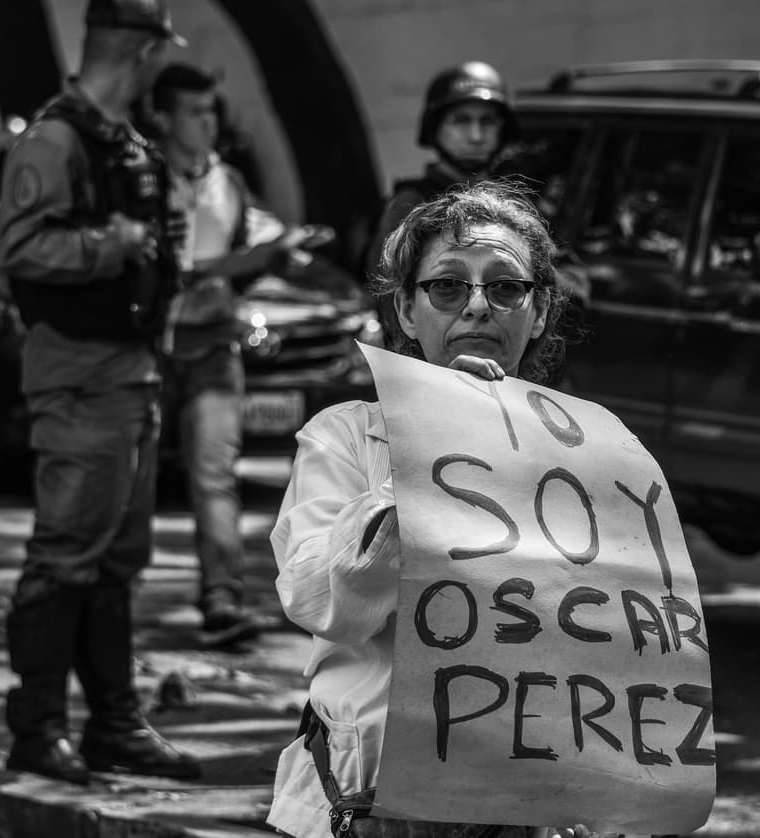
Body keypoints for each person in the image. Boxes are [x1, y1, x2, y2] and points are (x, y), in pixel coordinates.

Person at [268, 183, 644, 838]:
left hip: (527, 806)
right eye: (446, 287)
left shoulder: (592, 458)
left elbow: (608, 646)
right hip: (374, 801)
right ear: (407, 311)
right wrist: (436, 443)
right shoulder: (345, 438)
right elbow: (324, 605)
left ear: (538, 309)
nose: (476, 305)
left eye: (505, 288)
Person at [0, 0, 197, 785]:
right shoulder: (53, 141)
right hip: (78, 373)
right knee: (66, 553)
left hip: (131, 370)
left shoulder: (124, 142)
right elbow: (18, 247)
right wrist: (114, 242)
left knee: (117, 558)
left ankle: (114, 724)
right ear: (143, 53)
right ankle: (37, 729)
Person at [144, 62, 309, 646]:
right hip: (147, 349)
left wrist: (277, 253)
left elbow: (252, 246)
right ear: (162, 118)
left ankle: (222, 597)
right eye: (194, 112)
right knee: (132, 476)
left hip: (213, 345)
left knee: (214, 475)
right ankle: (106, 596)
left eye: (211, 110)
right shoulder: (142, 181)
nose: (208, 122)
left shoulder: (229, 183)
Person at [363, 61, 519, 353]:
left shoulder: (514, 203)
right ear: (435, 129)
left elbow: (559, 277)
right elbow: (387, 297)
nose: (476, 135)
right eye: (461, 121)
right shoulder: (411, 205)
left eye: (487, 122)